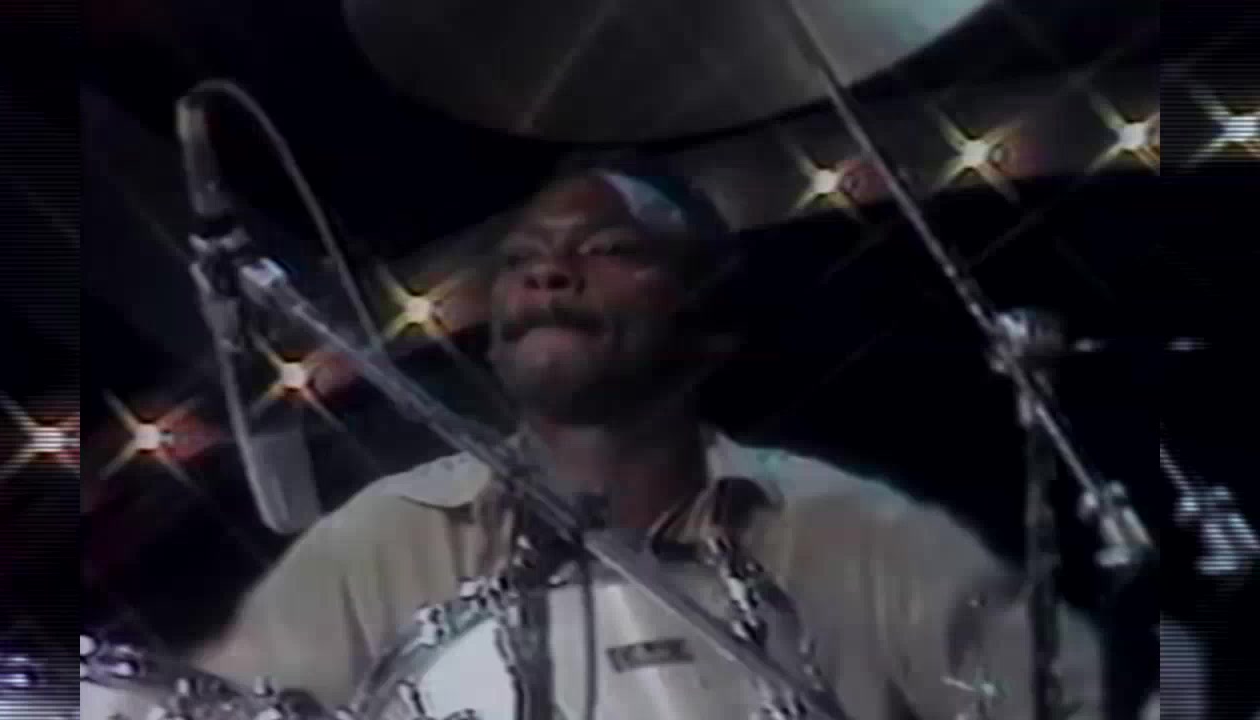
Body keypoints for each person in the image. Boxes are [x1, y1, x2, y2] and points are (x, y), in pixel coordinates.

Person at [97, 161, 1109, 720]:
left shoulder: (858, 535)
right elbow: (197, 707)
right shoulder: (378, 541)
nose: (549, 273)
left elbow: (1088, 697)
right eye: (523, 261)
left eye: (609, 250)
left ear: (711, 326)